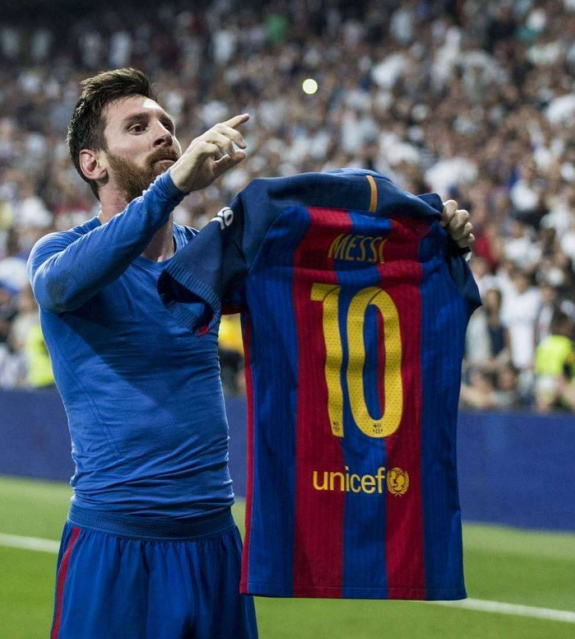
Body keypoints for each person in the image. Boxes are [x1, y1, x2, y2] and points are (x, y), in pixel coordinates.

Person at [27, 68, 475, 638]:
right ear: (93, 164)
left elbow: (334, 272)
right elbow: (61, 288)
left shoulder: (205, 259)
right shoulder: (60, 252)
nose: (163, 134)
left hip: (214, 543)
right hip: (116, 542)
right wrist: (172, 188)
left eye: (166, 124)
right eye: (137, 127)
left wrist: (428, 242)